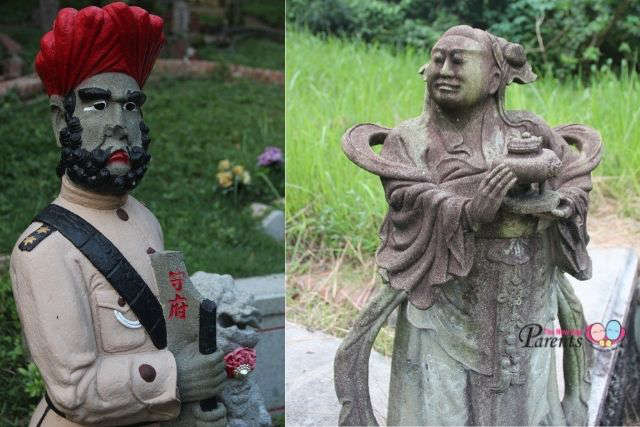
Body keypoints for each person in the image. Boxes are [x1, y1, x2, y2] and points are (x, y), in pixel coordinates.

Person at [337, 25, 601, 426]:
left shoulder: (528, 132)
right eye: (438, 59)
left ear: (495, 78)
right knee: (440, 404)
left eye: (459, 61)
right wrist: (466, 211)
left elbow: (573, 177)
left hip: (524, 296)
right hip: (447, 298)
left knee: (525, 402)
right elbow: (407, 196)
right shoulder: (409, 139)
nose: (444, 69)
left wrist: (559, 204)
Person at [10, 3, 226, 426]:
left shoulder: (144, 217)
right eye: (98, 106)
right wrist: (178, 379)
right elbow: (74, 390)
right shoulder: (44, 251)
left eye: (130, 107)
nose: (119, 125)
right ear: (60, 122)